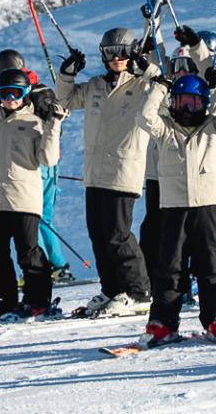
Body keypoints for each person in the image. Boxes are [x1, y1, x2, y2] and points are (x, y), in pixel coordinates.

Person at [140, 35, 216, 346]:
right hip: (173, 205)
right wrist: (161, 86)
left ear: (204, 103)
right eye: (181, 102)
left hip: (208, 205)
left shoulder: (214, 127)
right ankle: (163, 322)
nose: (187, 108)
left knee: (210, 263)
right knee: (170, 265)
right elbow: (145, 117)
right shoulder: (166, 130)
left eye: (194, 102)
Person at [53, 23, 161, 316]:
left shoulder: (142, 86)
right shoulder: (94, 86)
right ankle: (112, 289)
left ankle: (138, 292)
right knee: (98, 236)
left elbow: (164, 88)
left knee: (117, 235)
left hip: (123, 172)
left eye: (122, 52)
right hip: (95, 173)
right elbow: (63, 100)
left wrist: (147, 69)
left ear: (133, 53)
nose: (116, 58)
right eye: (110, 52)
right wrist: (67, 74)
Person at [0, 64, 63, 320]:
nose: (10, 99)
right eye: (4, 93)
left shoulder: (34, 122)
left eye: (16, 93)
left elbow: (48, 159)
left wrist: (54, 125)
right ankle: (4, 300)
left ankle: (38, 299)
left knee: (28, 252)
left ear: (25, 93)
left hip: (23, 199)